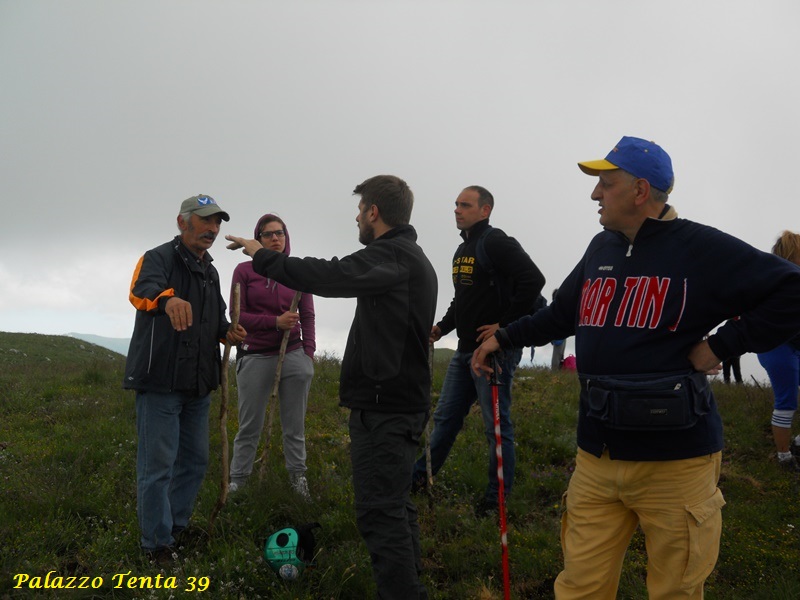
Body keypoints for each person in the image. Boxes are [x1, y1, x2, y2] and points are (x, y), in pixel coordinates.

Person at [471, 136, 800, 599]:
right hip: (597, 455)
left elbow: (791, 289)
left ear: (640, 190)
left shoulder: (700, 247)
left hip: (677, 462)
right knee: (580, 587)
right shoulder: (600, 247)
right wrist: (503, 337)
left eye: (605, 184)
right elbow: (562, 314)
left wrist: (722, 346)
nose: (595, 194)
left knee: (675, 591)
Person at [226, 175, 437, 600]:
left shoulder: (393, 255)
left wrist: (262, 257)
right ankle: (411, 585)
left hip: (386, 407)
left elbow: (331, 275)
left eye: (360, 210)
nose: (356, 218)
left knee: (380, 513)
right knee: (395, 504)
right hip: (395, 402)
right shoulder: (404, 256)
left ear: (374, 212)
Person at [124, 194, 247, 565]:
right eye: (206, 220)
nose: (213, 229)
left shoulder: (210, 271)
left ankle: (175, 529)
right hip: (160, 381)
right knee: (157, 467)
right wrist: (168, 300)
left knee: (194, 462)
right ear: (182, 222)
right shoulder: (158, 258)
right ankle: (155, 544)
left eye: (217, 223)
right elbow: (141, 291)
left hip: (198, 384)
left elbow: (215, 320)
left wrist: (228, 332)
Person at [411, 185, 545, 515]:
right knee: (445, 420)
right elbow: (463, 299)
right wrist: (442, 327)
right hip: (464, 352)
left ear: (485, 210)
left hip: (496, 353)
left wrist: (504, 326)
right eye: (456, 204)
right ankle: (416, 481)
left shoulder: (496, 242)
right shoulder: (463, 250)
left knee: (496, 428)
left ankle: (495, 501)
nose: (457, 210)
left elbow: (534, 280)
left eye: (466, 205)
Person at [228, 213, 316, 498]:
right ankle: (238, 481)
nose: (275, 238)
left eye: (280, 233)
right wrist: (275, 322)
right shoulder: (244, 271)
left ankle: (298, 478)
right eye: (268, 234)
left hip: (293, 352)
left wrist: (308, 354)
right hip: (254, 354)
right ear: (258, 239)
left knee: (294, 425)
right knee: (249, 424)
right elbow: (236, 315)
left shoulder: (297, 270)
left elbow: (308, 314)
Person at [757, 230, 800, 471]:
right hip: (776, 347)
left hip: (793, 345)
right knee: (787, 400)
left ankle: (797, 443)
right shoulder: (776, 279)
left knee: (787, 399)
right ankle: (784, 457)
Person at [549, 288, 567, 371]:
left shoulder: (556, 307)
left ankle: (557, 371)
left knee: (559, 354)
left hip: (561, 334)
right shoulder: (555, 308)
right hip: (558, 334)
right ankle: (555, 372)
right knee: (557, 355)